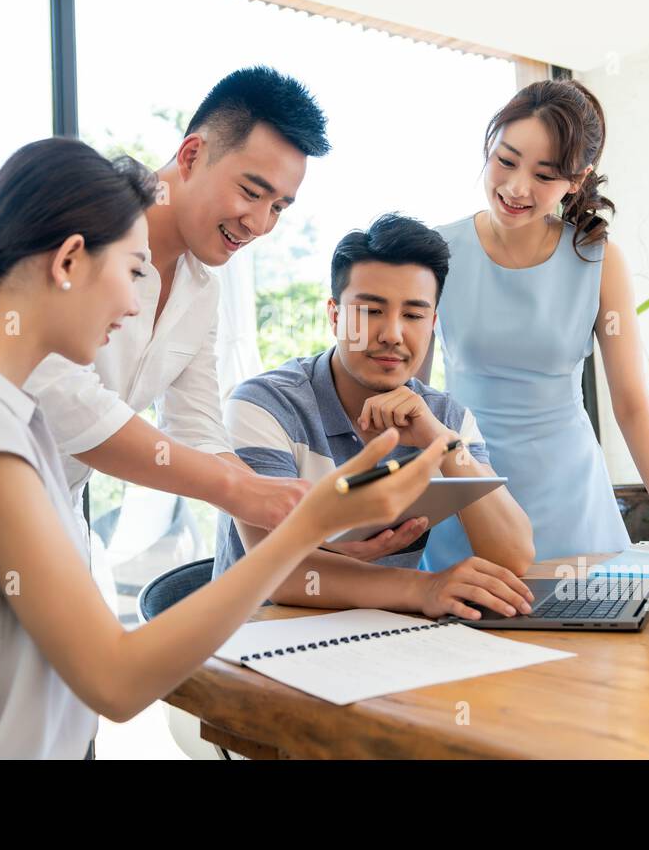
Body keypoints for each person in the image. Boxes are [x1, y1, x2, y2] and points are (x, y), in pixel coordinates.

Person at [0, 138, 449, 758]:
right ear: (68, 261)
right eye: (133, 271)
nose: (131, 301)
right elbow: (116, 680)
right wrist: (306, 521)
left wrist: (297, 513)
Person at [0, 66, 331, 598]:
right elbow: (69, 400)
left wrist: (284, 509)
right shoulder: (80, 219)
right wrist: (241, 493)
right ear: (192, 155)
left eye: (279, 208)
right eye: (252, 192)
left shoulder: (203, 288)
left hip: (54, 520)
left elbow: (195, 427)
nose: (260, 224)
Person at [422, 79, 649, 567]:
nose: (517, 187)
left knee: (598, 636)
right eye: (506, 160)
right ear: (488, 148)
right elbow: (410, 395)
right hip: (465, 494)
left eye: (545, 175)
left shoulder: (597, 260)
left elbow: (630, 404)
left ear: (576, 181)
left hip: (571, 504)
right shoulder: (437, 252)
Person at [213, 213, 535, 621]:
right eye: (370, 311)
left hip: (381, 640)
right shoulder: (266, 405)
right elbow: (276, 573)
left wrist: (443, 444)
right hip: (261, 640)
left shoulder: (443, 416)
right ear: (334, 316)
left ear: (433, 324)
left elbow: (513, 553)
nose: (392, 334)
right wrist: (426, 588)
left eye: (414, 316)